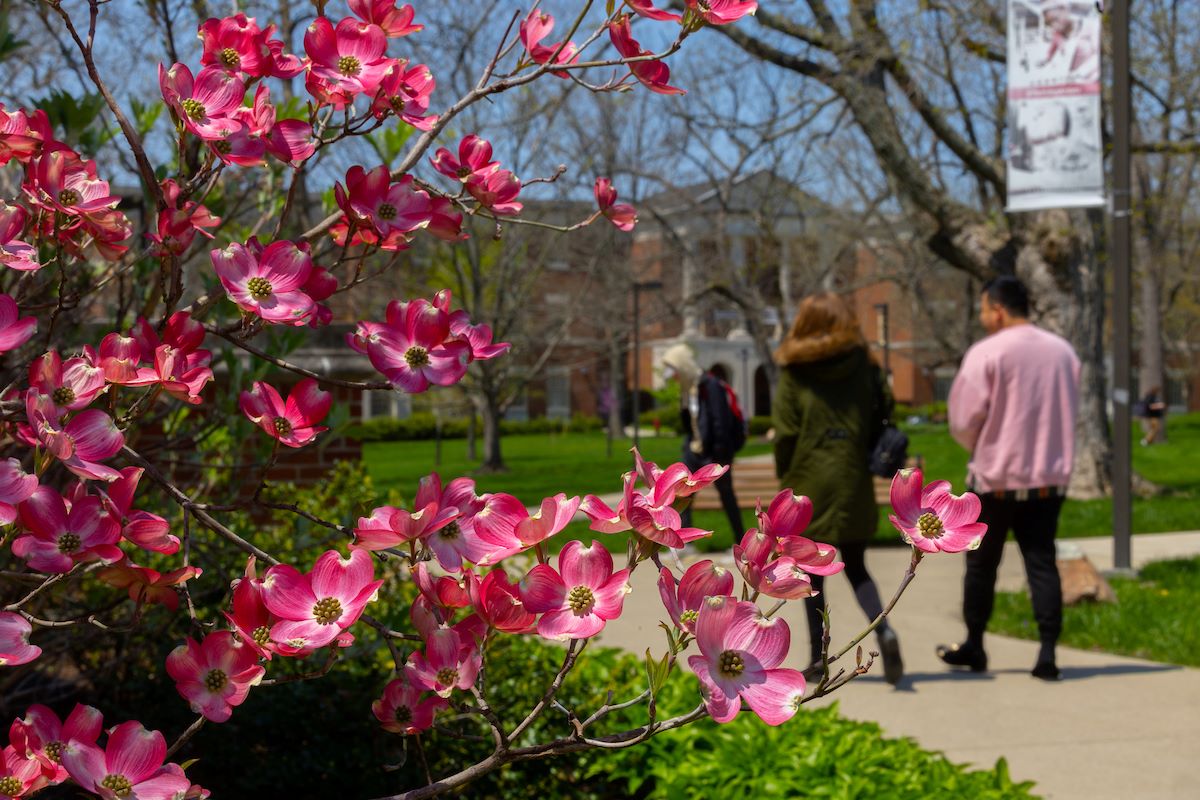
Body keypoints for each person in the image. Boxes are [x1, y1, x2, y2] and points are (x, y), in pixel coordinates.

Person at [940, 275, 1080, 682]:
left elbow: (964, 418)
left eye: (984, 309)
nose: (983, 317)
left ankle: (975, 643)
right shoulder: (1063, 352)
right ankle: (1048, 651)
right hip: (1048, 477)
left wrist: (978, 444)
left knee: (982, 564)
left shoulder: (987, 352)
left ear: (998, 310)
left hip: (996, 476)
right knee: (1041, 561)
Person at [772, 293, 902, 686]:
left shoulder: (795, 371)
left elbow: (786, 433)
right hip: (852, 479)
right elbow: (887, 411)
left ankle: (817, 661)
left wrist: (786, 481)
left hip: (808, 482)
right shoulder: (865, 366)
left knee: (811, 578)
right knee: (859, 567)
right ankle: (884, 631)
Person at [660, 343, 746, 542]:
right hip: (695, 449)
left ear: (682, 366)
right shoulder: (689, 388)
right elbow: (690, 421)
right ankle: (683, 539)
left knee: (726, 495)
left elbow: (719, 421)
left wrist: (719, 454)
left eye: (675, 370)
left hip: (715, 451)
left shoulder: (710, 385)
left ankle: (740, 541)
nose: (673, 377)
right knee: (681, 492)